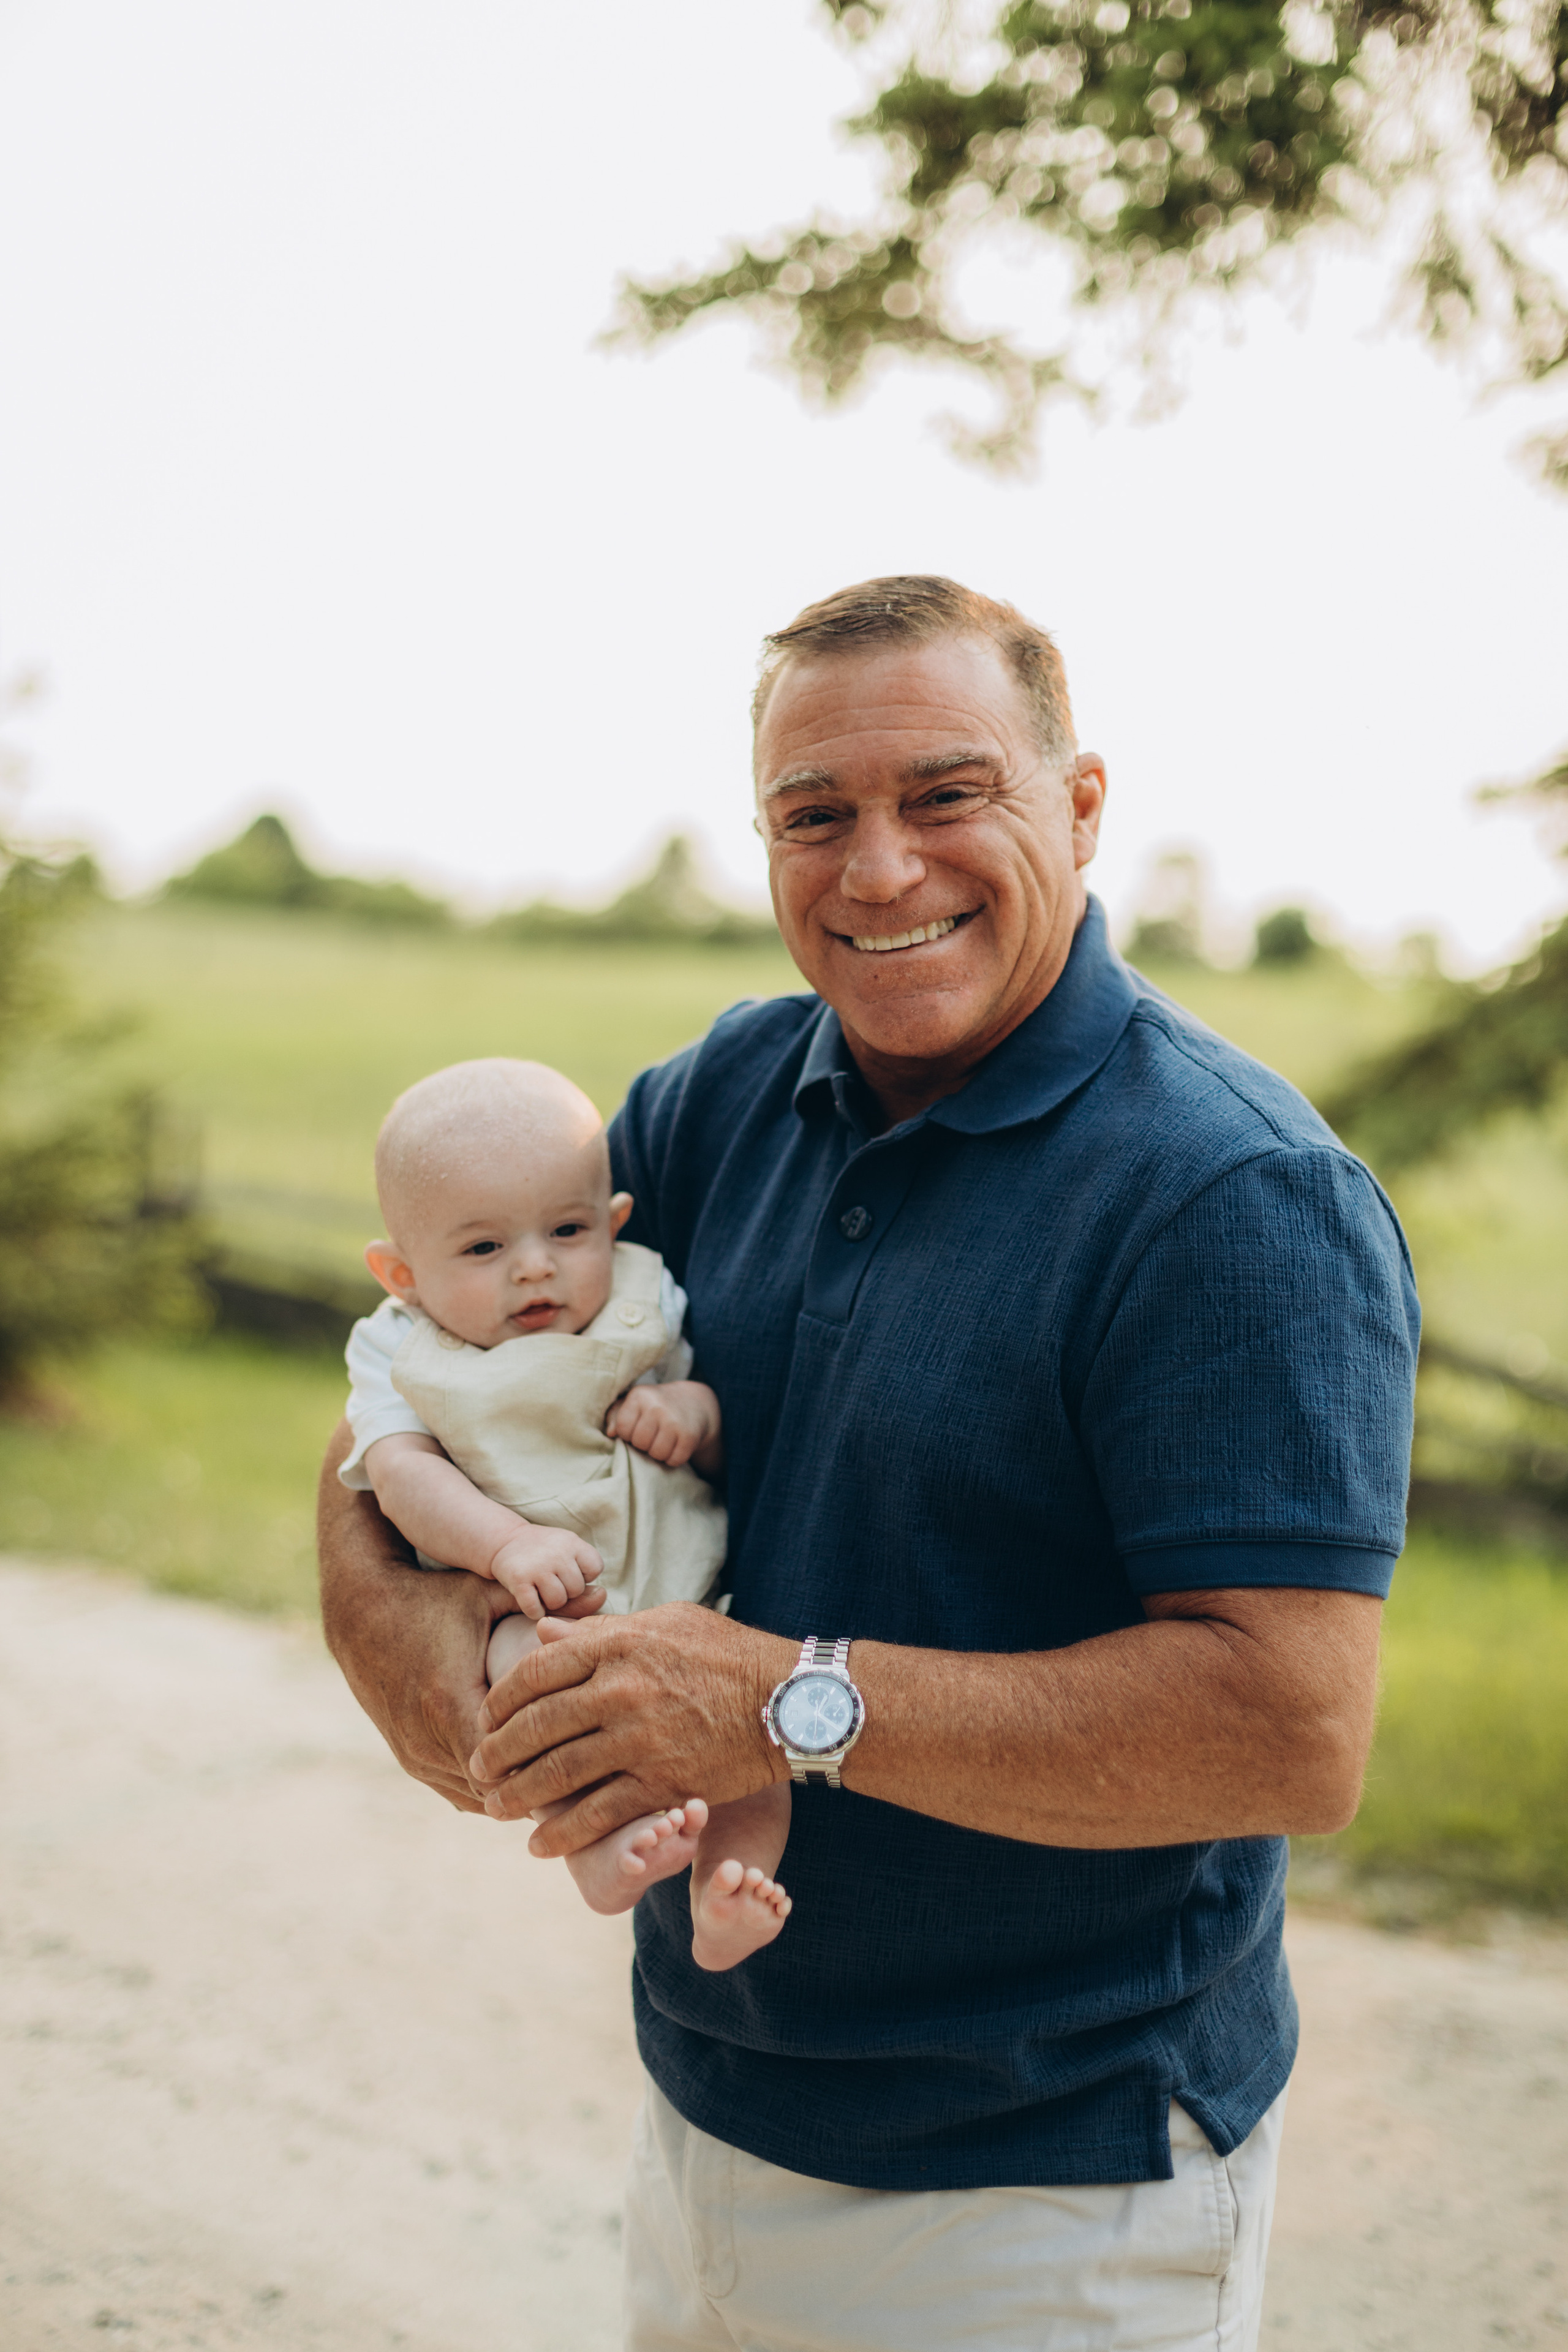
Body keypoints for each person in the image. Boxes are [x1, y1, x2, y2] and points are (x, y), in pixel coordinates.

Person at [318, 575, 1419, 2352]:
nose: (880, 869)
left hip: (1045, 2192)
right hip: (706, 2103)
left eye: (946, 794)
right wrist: (438, 1670)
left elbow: (1289, 1731)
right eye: (813, 814)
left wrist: (781, 1703)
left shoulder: (1235, 1198)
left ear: (1080, 805)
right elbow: (422, 1387)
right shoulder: (722, 1095)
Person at [339, 1054, 793, 1969]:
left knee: (763, 1743)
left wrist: (690, 1415)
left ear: (614, 1224)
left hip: (694, 1601)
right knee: (530, 1688)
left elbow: (714, 1422)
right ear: (401, 1273)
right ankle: (599, 1854)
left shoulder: (639, 1300)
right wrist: (506, 1545)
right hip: (537, 1607)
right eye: (483, 1249)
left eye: (568, 1230)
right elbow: (401, 1474)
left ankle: (727, 1893)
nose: (536, 1267)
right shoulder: (400, 1352)